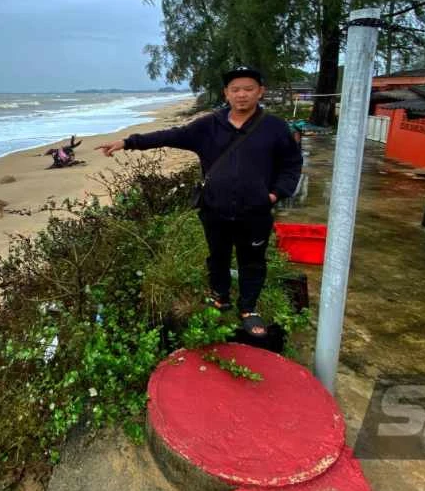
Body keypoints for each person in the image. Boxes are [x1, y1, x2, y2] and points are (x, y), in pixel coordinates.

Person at [96, 66, 302, 336]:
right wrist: (128, 142)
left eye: (249, 89)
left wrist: (275, 194)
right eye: (235, 89)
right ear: (226, 93)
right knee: (217, 256)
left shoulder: (274, 127)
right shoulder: (209, 125)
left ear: (260, 91)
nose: (242, 95)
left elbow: (291, 164)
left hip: (256, 212)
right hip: (214, 209)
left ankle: (248, 308)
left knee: (252, 260)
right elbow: (171, 136)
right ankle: (220, 296)